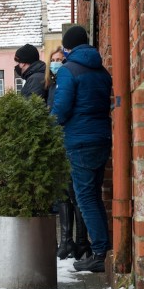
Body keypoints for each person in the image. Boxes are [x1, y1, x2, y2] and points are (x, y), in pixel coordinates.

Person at [51, 25, 112, 273]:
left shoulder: (68, 71)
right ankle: (102, 249)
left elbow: (61, 109)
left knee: (85, 198)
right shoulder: (102, 70)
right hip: (102, 138)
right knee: (94, 195)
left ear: (67, 47)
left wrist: (48, 126)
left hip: (79, 141)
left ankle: (99, 253)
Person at [46, 46, 92, 260]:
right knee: (64, 193)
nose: (56, 63)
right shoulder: (51, 85)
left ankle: (80, 242)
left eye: (60, 59)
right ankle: (67, 241)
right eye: (53, 60)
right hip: (59, 143)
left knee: (74, 193)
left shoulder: (66, 81)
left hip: (69, 140)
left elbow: (62, 111)